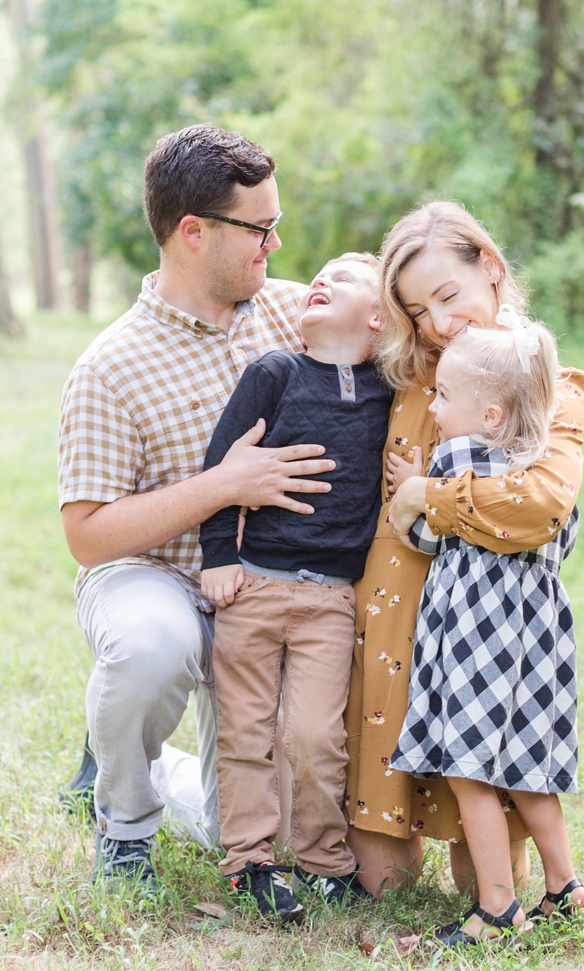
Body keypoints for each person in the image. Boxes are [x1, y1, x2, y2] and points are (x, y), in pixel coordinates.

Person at [58, 124, 336, 885]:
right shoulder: (110, 366)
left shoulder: (297, 316)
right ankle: (123, 826)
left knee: (239, 832)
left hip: (272, 590)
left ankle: (130, 754)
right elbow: (88, 537)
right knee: (151, 647)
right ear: (192, 233)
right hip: (157, 577)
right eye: (260, 229)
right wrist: (223, 485)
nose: (274, 246)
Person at [342, 201, 584, 902]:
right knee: (384, 881)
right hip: (393, 624)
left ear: (489, 265)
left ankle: (519, 897)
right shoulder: (401, 372)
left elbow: (541, 507)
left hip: (483, 632)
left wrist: (426, 494)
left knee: (476, 856)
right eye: (420, 310)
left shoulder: (541, 384)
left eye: (449, 295)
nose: (441, 323)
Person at [388, 316, 584, 944]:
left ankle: (497, 909)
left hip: (478, 635)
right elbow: (566, 537)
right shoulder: (539, 469)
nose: (435, 405)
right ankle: (566, 888)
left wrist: (413, 492)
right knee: (528, 765)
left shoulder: (456, 459)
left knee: (469, 767)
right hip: (540, 634)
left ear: (494, 414)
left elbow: (421, 535)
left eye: (446, 395)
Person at [198, 253, 389, 919]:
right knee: (246, 730)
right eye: (321, 273)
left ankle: (323, 860)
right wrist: (220, 555)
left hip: (330, 600)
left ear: (379, 316)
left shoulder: (386, 394)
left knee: (314, 736)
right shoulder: (273, 374)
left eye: (346, 276)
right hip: (254, 585)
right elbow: (221, 467)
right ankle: (249, 860)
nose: (322, 279)